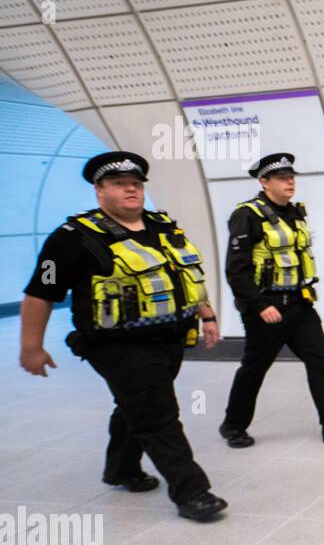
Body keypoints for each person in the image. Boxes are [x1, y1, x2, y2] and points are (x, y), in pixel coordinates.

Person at [17, 151, 228, 521]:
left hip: (171, 338)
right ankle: (192, 492)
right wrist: (30, 347)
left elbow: (186, 275)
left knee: (135, 405)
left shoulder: (162, 226)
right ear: (99, 191)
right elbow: (40, 293)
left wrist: (206, 313)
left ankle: (122, 469)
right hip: (117, 346)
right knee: (159, 414)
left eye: (136, 183)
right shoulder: (71, 238)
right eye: (119, 183)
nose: (131, 189)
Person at [217, 152, 324, 448]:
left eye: (291, 177)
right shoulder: (247, 215)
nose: (290, 182)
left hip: (300, 305)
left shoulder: (295, 212)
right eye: (282, 178)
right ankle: (233, 426)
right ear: (264, 182)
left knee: (319, 362)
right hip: (266, 307)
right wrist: (261, 305)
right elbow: (236, 270)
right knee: (255, 367)